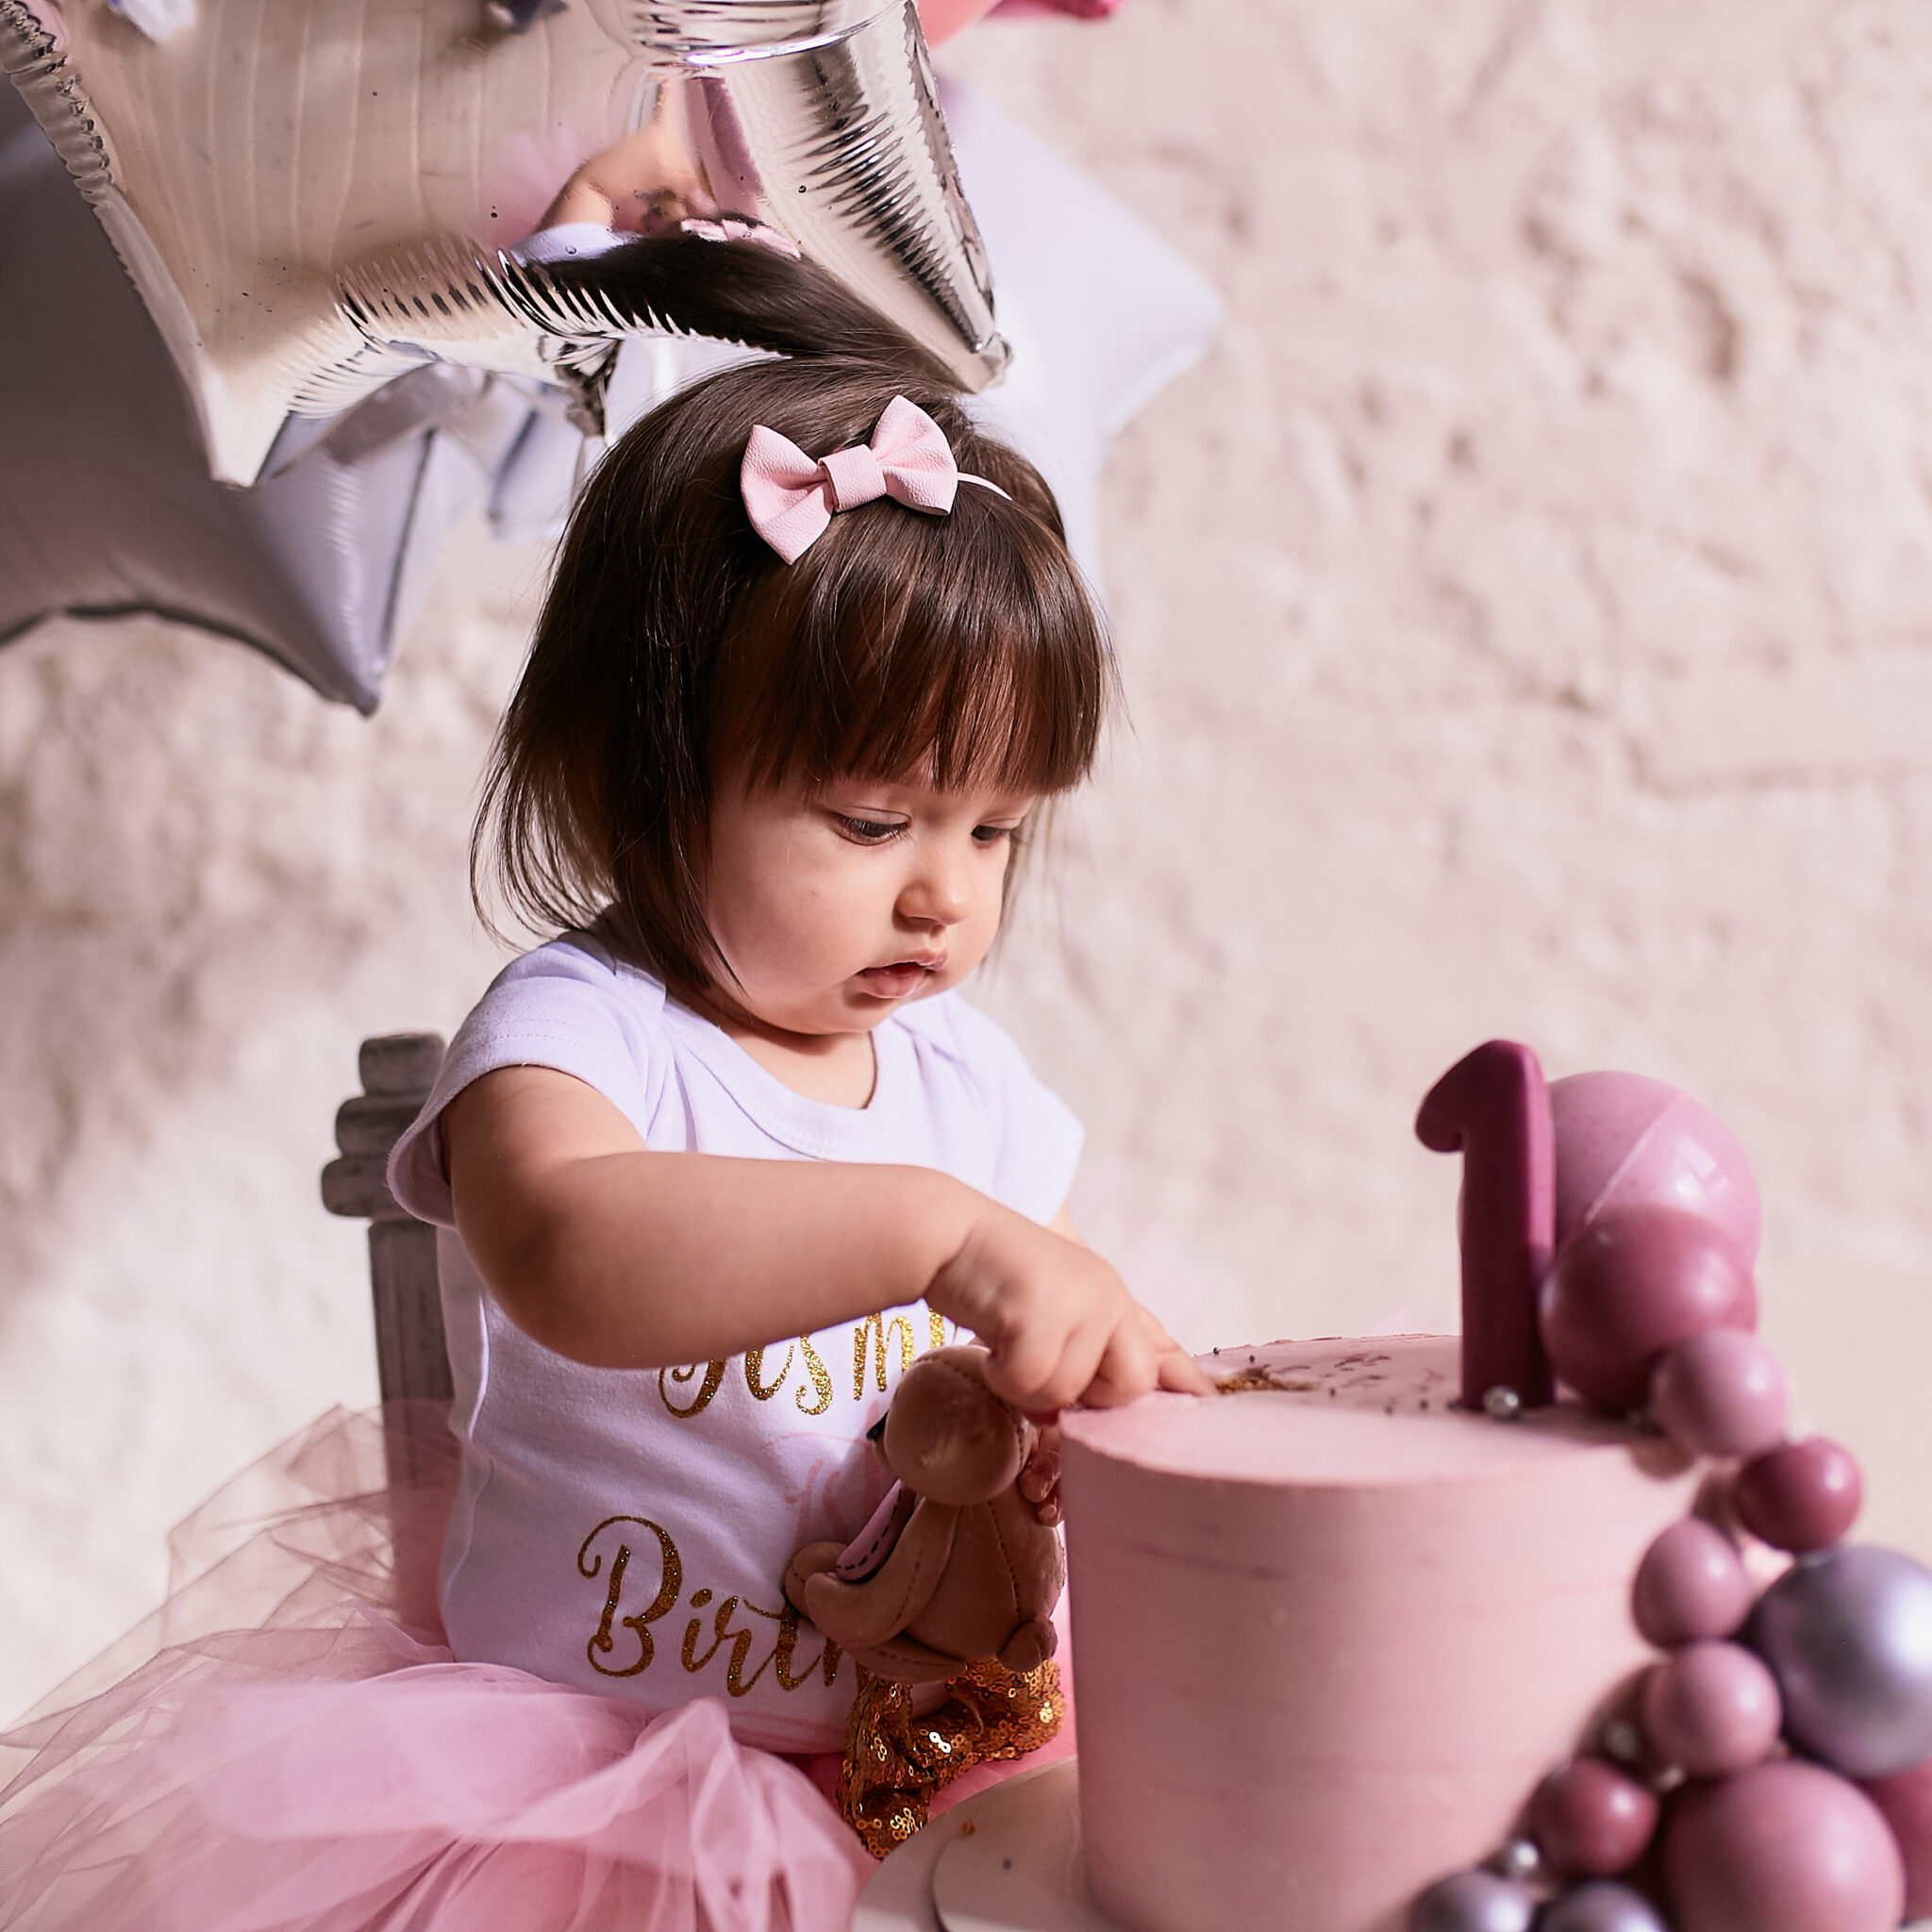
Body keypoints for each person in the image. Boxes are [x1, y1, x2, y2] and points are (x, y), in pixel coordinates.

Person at [0, 255, 1205, 1930]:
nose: (944, 893)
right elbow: (572, 1255)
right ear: (645, 770)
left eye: (991, 831)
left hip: (934, 1752)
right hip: (594, 1785)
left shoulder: (974, 1090)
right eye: (871, 825)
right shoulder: (585, 1035)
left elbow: (1046, 1335)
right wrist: (932, 1236)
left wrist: (1076, 1410)